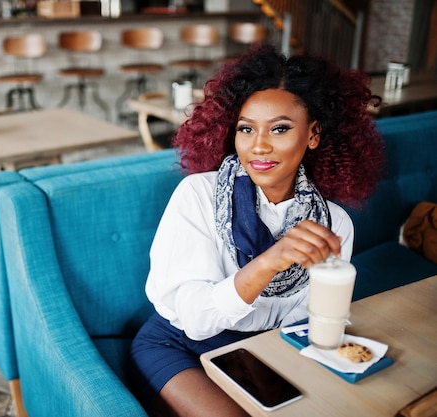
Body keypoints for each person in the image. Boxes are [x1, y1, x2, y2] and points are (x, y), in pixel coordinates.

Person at [129, 44, 385, 417]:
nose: (259, 145)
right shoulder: (198, 195)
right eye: (246, 129)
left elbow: (306, 321)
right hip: (178, 345)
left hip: (261, 350)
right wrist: (270, 261)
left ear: (313, 135)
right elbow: (197, 320)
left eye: (280, 128)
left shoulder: (333, 224)